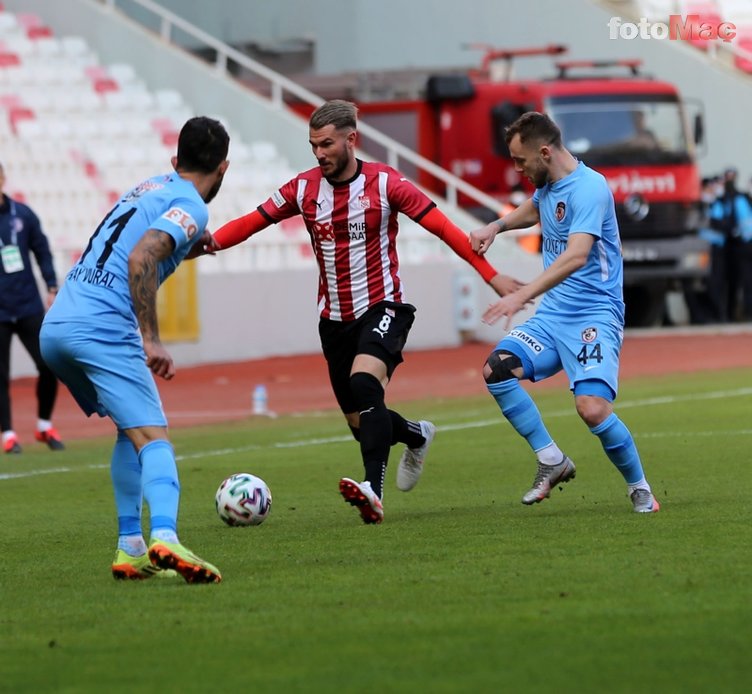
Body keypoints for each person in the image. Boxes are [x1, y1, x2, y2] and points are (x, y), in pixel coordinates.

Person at [208, 99, 522, 525]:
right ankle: (415, 434)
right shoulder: (302, 189)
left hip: (384, 306)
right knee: (362, 423)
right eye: (313, 145)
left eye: (326, 144)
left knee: (364, 381)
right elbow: (251, 221)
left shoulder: (387, 184)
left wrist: (491, 275)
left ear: (351, 139)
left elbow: (444, 229)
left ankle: (372, 491)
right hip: (333, 320)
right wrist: (207, 243)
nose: (319, 154)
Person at [40, 116, 229, 582]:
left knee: (130, 430)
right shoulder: (192, 206)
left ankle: (131, 548)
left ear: (174, 160)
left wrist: (185, 247)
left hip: (59, 324)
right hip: (104, 327)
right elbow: (142, 255)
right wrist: (151, 337)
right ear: (223, 169)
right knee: (155, 437)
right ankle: (166, 535)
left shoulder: (149, 186)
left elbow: (138, 241)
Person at [469, 111, 659, 513]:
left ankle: (639, 486)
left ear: (544, 151)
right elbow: (536, 209)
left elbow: (576, 255)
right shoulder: (549, 183)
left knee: (591, 409)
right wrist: (496, 227)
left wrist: (522, 296)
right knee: (497, 369)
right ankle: (551, 459)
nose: (518, 170)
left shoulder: (590, 188)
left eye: (521, 161)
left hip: (594, 314)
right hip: (554, 316)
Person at [0, 162, 64, 454]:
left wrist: (51, 284)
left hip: (27, 304)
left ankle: (43, 425)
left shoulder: (22, 215)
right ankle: (9, 434)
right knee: (1, 374)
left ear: (3, 179)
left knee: (48, 365)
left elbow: (41, 249)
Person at [708, 167, 752, 321]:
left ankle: (744, 312)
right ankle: (728, 314)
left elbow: (744, 224)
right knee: (728, 282)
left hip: (743, 245)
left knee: (745, 281)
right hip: (727, 248)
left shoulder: (741, 198)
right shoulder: (721, 201)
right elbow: (716, 222)